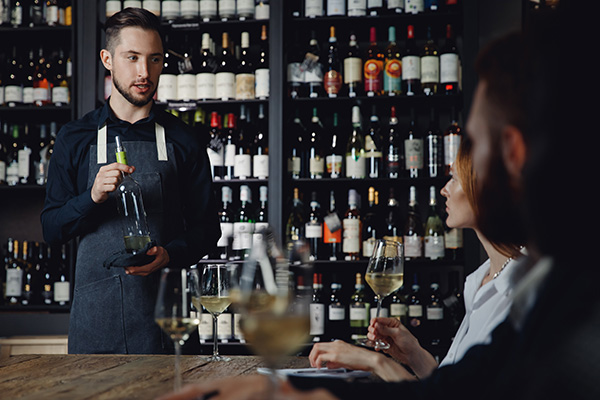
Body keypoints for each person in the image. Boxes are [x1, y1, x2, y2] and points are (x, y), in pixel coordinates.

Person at [159, 3, 599, 399]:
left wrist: (306, 386)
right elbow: (462, 384)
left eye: (475, 142)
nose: (445, 185)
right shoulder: (553, 286)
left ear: (512, 153)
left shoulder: (568, 319)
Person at [41, 8, 220, 354]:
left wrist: (168, 255)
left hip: (168, 325)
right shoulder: (75, 137)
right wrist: (91, 197)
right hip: (96, 324)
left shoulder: (183, 139)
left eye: (155, 59)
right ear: (107, 59)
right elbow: (51, 229)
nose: (144, 72)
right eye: (132, 58)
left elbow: (207, 229)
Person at [308, 137, 524, 381]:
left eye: (453, 178)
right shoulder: (480, 280)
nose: (444, 189)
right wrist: (414, 354)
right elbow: (452, 387)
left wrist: (374, 361)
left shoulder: (519, 290)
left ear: (482, 187)